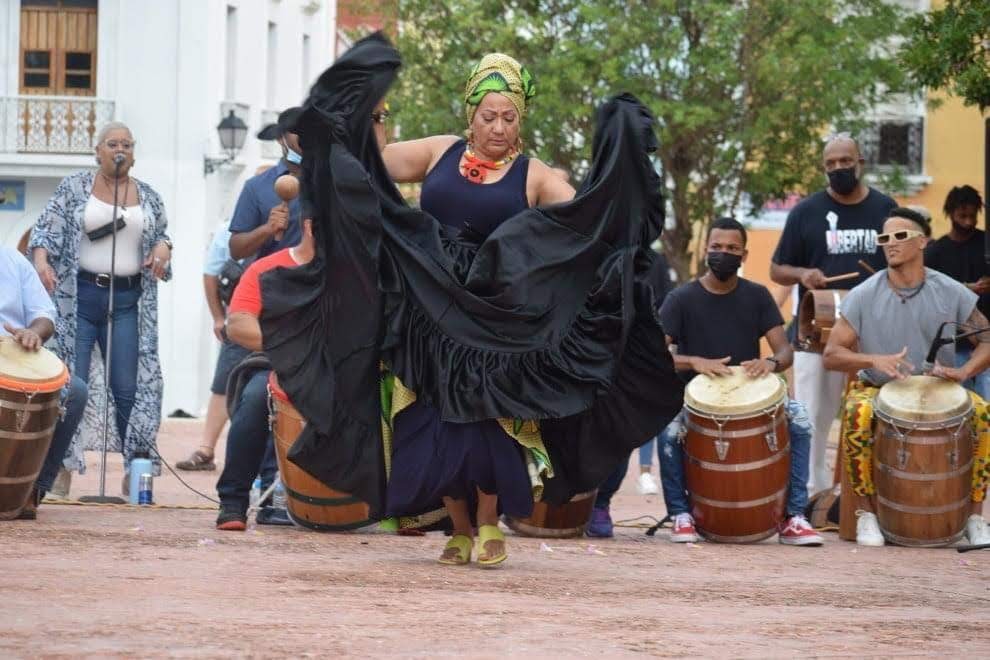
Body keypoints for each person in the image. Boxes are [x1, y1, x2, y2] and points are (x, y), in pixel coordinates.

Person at [259, 34, 683, 568]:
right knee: (431, 418)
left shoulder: (535, 174)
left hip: (495, 315)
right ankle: (457, 528)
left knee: (489, 420)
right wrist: (357, 119)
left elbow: (586, 218)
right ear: (471, 114)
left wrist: (621, 165)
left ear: (520, 120)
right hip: (429, 304)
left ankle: (487, 522)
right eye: (489, 116)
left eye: (509, 117)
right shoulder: (439, 151)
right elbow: (372, 165)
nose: (498, 127)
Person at [617, 219, 822, 545]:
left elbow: (785, 351)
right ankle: (681, 513)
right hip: (692, 398)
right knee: (668, 428)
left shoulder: (757, 296)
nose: (723, 253)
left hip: (749, 397)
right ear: (705, 250)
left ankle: (794, 516)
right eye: (717, 247)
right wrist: (693, 362)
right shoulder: (681, 299)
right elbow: (653, 354)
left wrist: (770, 362)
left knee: (800, 420)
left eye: (731, 248)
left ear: (744, 255)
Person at [823, 207, 990, 546]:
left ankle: (975, 516)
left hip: (937, 390)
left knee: (983, 414)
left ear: (922, 242)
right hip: (878, 388)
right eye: (884, 238)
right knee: (856, 414)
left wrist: (963, 371)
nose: (891, 243)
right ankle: (866, 515)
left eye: (900, 236)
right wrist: (873, 359)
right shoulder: (863, 294)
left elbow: (987, 340)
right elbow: (831, 354)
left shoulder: (950, 290)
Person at [28, 121, 171, 496]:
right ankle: (59, 467)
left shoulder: (149, 196)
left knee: (128, 387)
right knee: (70, 385)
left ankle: (135, 467)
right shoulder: (75, 186)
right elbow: (46, 230)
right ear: (98, 151)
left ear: (133, 153)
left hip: (127, 302)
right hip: (80, 298)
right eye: (112, 143)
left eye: (127, 144)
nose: (120, 149)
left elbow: (161, 236)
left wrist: (164, 248)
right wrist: (41, 262)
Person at [770, 134, 896, 493]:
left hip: (872, 328)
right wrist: (802, 274)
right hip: (817, 329)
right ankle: (811, 494)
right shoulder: (805, 212)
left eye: (845, 161)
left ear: (860, 163)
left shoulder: (885, 208)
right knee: (812, 414)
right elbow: (777, 269)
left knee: (874, 411)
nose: (838, 168)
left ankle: (868, 494)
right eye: (831, 164)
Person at [215, 217, 316, 530]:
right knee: (256, 396)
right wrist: (291, 344)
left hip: (335, 367)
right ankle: (233, 500)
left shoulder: (352, 271)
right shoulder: (267, 268)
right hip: (277, 363)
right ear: (310, 226)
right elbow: (237, 324)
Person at [0, 246, 88, 519]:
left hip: (14, 358)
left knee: (75, 392)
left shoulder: (13, 260)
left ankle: (31, 491)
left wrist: (33, 333)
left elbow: (44, 315)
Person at [175, 220, 250, 471]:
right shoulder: (229, 230)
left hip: (283, 316)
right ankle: (206, 448)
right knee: (224, 381)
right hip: (241, 317)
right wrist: (218, 317)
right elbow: (211, 273)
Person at [925, 185, 990, 399]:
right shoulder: (935, 252)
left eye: (973, 216)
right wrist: (966, 288)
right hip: (955, 343)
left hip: (987, 338)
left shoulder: (986, 244)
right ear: (951, 213)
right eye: (962, 216)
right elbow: (931, 292)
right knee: (961, 402)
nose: (968, 222)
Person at [228, 108, 305, 261]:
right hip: (276, 274)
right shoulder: (256, 187)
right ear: (281, 138)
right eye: (299, 132)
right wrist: (267, 229)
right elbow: (236, 251)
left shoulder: (334, 180)